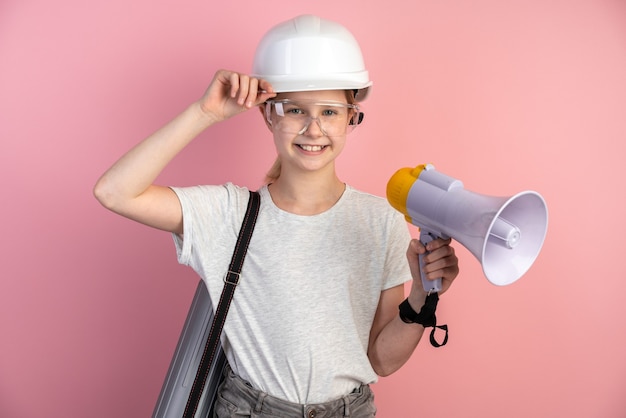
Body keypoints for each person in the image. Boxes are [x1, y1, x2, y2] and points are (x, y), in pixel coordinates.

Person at [94, 14, 459, 417]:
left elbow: (382, 361)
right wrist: (205, 112)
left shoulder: (381, 220)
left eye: (331, 112)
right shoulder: (227, 214)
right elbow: (114, 191)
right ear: (268, 114)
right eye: (294, 110)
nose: (314, 129)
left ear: (352, 117)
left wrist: (424, 296)